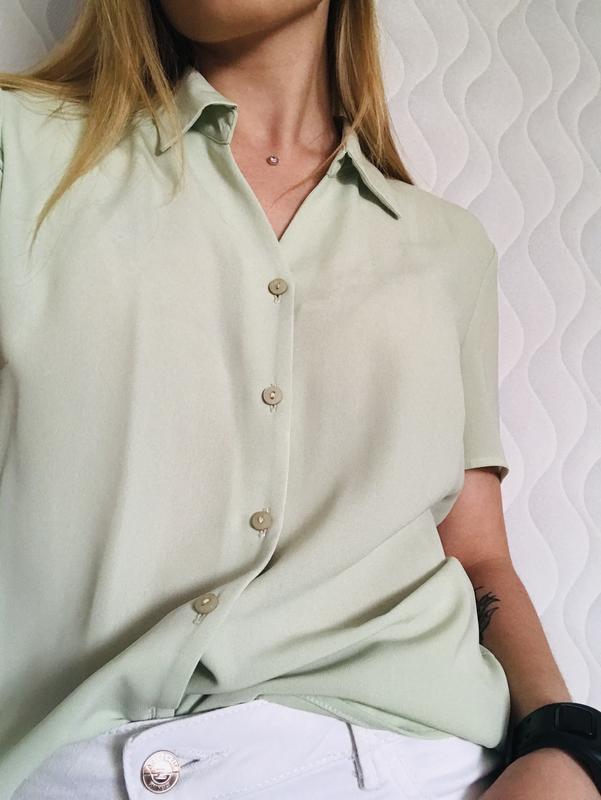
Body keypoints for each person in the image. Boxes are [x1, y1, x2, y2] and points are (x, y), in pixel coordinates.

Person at [0, 1, 598, 798]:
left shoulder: (449, 245)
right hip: (107, 762)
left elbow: (478, 553)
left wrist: (564, 744)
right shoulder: (21, 151)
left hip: (447, 763)